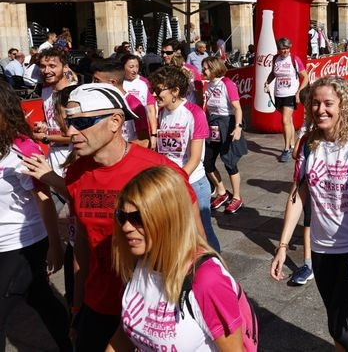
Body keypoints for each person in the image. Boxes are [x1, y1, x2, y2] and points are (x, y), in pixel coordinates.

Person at [20, 83, 199, 351]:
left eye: (82, 123)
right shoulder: (77, 172)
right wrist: (77, 306)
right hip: (98, 306)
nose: (70, 132)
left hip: (155, 310)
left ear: (115, 121)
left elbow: (196, 246)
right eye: (69, 122)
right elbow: (82, 241)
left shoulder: (161, 172)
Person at [270, 77, 348, 352]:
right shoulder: (308, 144)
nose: (321, 110)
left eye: (328, 103)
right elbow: (298, 195)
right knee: (336, 320)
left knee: (339, 326)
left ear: (343, 106)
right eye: (315, 103)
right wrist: (282, 247)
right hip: (321, 250)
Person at [107, 166, 256, 351]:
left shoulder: (208, 280)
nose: (126, 227)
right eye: (122, 216)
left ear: (168, 218)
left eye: (138, 217)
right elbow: (124, 335)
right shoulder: (141, 262)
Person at [0, 81, 71, 352]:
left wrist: (55, 244)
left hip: (23, 244)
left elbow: (44, 199)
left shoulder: (22, 148)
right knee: (39, 295)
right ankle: (70, 337)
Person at [148, 65, 220, 252]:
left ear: (175, 91)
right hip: (170, 183)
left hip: (193, 182)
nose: (154, 95)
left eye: (158, 90)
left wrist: (177, 179)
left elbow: (195, 158)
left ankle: (217, 271)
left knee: (203, 234)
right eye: (152, 90)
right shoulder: (162, 112)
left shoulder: (194, 113)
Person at [203, 56, 248, 214]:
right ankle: (222, 192)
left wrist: (238, 127)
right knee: (207, 161)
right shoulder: (207, 85)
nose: (204, 71)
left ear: (215, 68)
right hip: (212, 124)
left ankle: (236, 197)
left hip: (227, 123)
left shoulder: (227, 84)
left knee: (229, 162)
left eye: (206, 68)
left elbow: (237, 108)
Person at [265, 37, 309, 163]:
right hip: (278, 93)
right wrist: (267, 82)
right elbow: (273, 73)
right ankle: (294, 145)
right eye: (282, 49)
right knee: (288, 121)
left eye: (287, 48)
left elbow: (305, 77)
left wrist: (298, 93)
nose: (284, 51)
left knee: (284, 120)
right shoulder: (275, 59)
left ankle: (286, 149)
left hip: (291, 93)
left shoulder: (294, 59)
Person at [32, 48, 74, 177]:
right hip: (53, 156)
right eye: (43, 66)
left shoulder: (74, 93)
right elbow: (51, 120)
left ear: (65, 68)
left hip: (71, 157)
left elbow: (75, 136)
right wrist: (44, 125)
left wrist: (45, 138)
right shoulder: (46, 90)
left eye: (52, 66)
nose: (46, 71)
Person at [91, 58, 150, 148]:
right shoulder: (97, 103)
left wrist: (114, 148)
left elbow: (144, 141)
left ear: (112, 82)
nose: (93, 85)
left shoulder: (134, 105)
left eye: (97, 81)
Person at [120, 54, 158, 148]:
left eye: (137, 66)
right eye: (131, 67)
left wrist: (153, 134)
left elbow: (150, 109)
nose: (135, 70)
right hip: (123, 130)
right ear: (123, 67)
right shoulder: (118, 83)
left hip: (141, 129)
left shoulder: (143, 83)